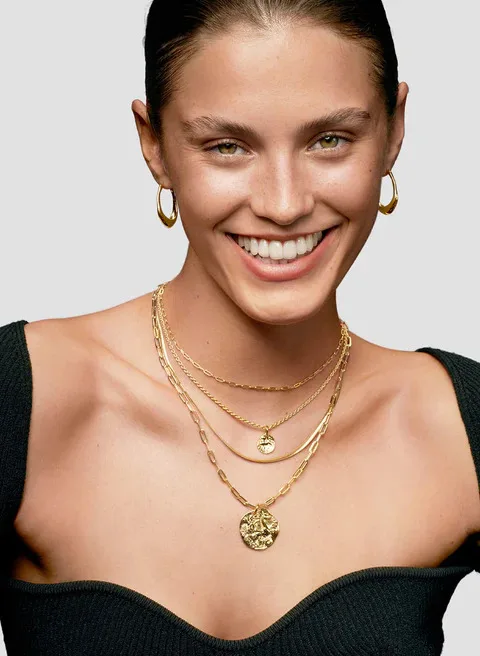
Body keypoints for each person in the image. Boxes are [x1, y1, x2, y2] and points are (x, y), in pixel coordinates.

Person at [1, 0, 480, 654]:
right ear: (154, 146)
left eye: (330, 140)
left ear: (394, 131)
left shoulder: (457, 426)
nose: (284, 203)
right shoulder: (25, 402)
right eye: (226, 146)